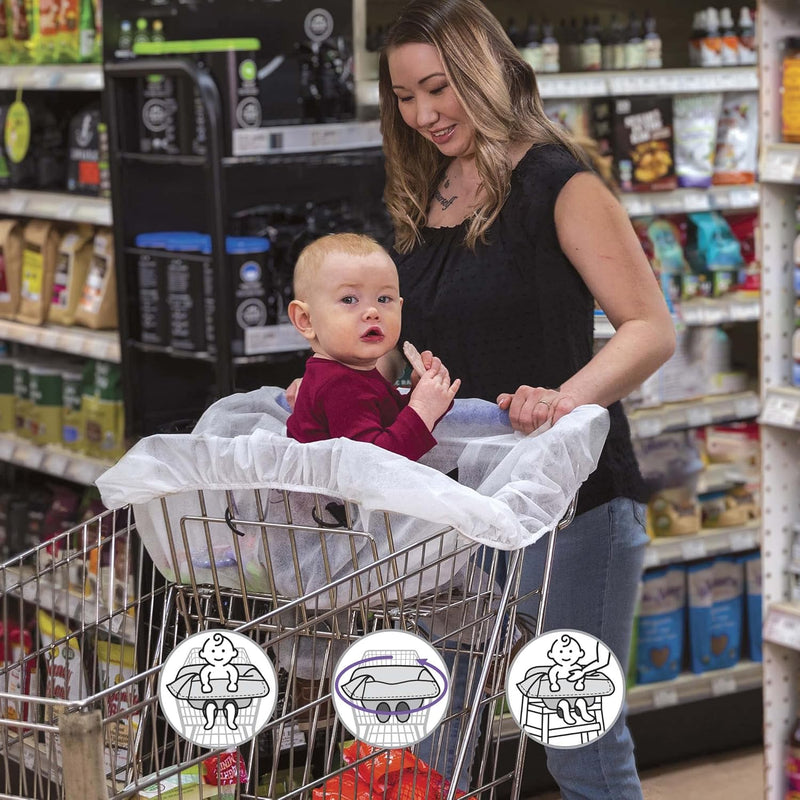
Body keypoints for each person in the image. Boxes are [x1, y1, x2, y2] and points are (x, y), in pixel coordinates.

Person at [373, 1, 677, 798]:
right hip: (449, 507)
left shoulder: (556, 181)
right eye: (405, 96)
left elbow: (649, 327)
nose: (424, 114)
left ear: (486, 70)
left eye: (439, 88)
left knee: (576, 742)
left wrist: (561, 400)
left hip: (568, 506)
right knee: (428, 732)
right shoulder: (424, 191)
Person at [286, 231, 459, 459]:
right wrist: (422, 409)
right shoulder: (338, 385)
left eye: (384, 299)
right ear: (306, 320)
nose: (372, 312)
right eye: (349, 300)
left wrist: (426, 395)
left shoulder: (354, 372)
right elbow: (374, 465)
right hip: (336, 496)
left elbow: (390, 424)